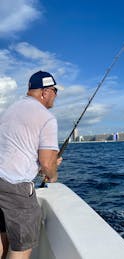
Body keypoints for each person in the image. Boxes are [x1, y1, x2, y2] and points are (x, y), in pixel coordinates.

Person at [0, 71, 63, 259]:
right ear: (45, 92)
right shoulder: (47, 118)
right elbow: (46, 162)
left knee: (2, 237)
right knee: (21, 248)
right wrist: (52, 174)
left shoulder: (11, 109)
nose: (56, 95)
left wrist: (46, 162)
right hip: (16, 189)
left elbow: (17, 148)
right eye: (54, 90)